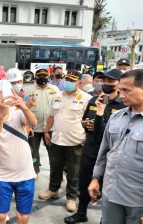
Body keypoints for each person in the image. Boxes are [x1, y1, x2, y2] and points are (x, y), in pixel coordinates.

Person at [64, 69, 125, 224]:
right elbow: (85, 121)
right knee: (84, 183)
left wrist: (99, 122)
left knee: (107, 188)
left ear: (119, 85)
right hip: (90, 150)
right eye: (104, 81)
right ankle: (81, 213)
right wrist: (85, 125)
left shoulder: (123, 105)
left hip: (110, 154)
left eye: (110, 82)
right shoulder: (94, 100)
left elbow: (111, 131)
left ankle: (106, 218)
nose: (105, 84)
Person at [88, 69, 143, 224]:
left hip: (137, 201)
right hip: (110, 193)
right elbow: (105, 151)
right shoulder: (116, 117)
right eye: (120, 90)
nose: (121, 95)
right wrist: (96, 178)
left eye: (127, 90)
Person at [0, 87, 37, 224]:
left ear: (1, 98)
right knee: (0, 216)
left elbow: (33, 122)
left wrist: (24, 107)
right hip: (3, 177)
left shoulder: (17, 115)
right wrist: (1, 116)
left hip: (26, 175)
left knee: (23, 217)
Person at [39, 70, 91, 212]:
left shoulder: (86, 98)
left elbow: (89, 120)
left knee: (74, 171)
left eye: (72, 80)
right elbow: (51, 116)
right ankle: (53, 190)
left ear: (79, 82)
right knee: (55, 167)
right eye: (67, 79)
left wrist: (87, 137)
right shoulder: (57, 96)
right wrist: (46, 131)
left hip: (75, 141)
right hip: (57, 139)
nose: (68, 82)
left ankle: (71, 198)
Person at [25, 69, 59, 174]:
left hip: (51, 127)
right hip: (34, 127)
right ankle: (34, 170)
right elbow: (25, 109)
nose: (42, 78)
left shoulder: (55, 89)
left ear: (48, 78)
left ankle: (55, 172)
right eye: (40, 76)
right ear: (35, 78)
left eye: (45, 76)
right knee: (33, 151)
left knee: (53, 152)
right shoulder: (28, 90)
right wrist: (27, 125)